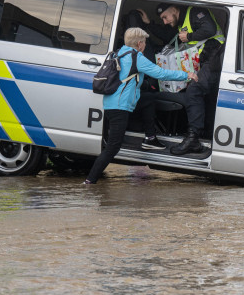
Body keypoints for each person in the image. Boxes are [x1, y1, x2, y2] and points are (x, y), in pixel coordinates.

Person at [84, 28, 197, 184]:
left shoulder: (119, 53)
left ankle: (150, 137)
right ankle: (90, 181)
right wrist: (187, 75)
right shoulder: (136, 57)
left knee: (149, 99)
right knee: (112, 148)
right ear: (139, 43)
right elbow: (160, 73)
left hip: (111, 104)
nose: (145, 45)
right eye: (144, 42)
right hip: (120, 107)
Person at [151, 3, 225, 155]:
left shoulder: (195, 12)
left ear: (174, 9)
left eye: (165, 17)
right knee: (188, 88)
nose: (165, 21)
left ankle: (193, 139)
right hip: (204, 60)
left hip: (215, 56)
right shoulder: (181, 21)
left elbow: (209, 29)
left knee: (194, 90)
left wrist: (189, 37)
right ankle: (194, 135)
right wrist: (148, 25)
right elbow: (169, 37)